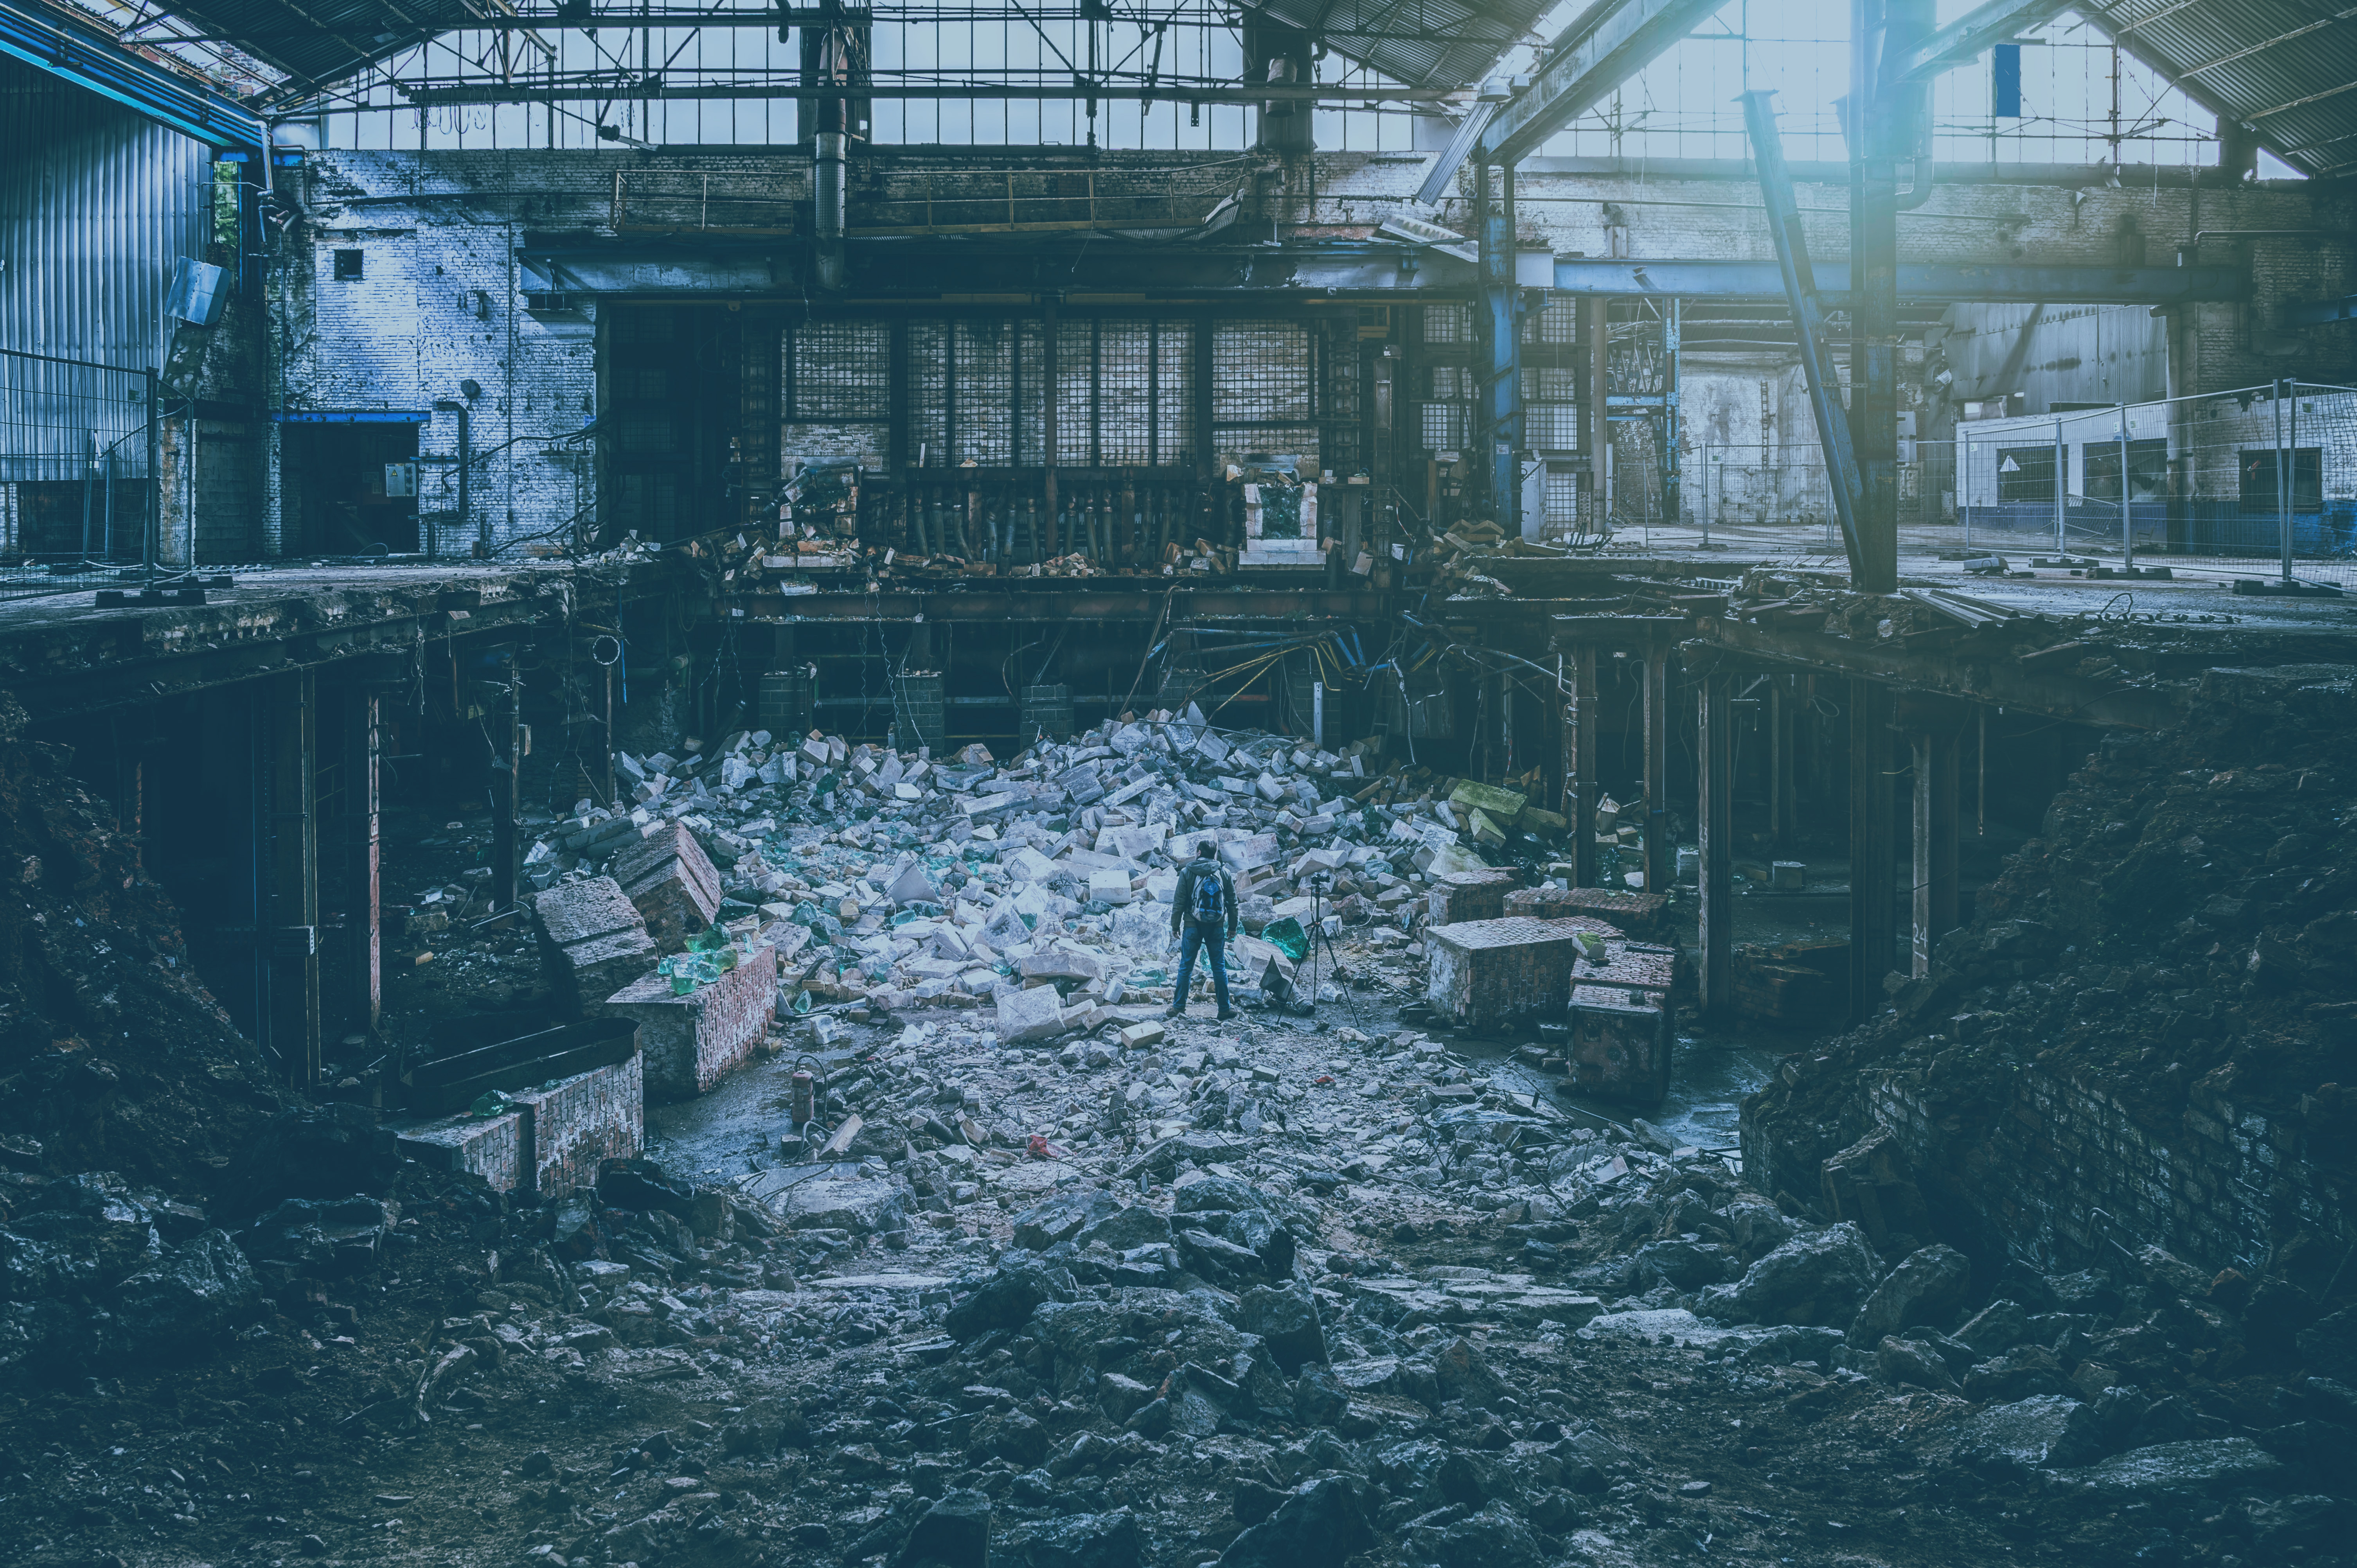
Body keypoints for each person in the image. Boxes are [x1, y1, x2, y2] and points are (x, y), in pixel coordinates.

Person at [1168, 839, 1238, 1020]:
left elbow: (1179, 902)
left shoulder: (1187, 872)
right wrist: (1233, 926)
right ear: (1214, 854)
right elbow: (1232, 902)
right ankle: (1224, 1009)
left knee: (1186, 967)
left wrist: (1175, 925)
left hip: (1192, 925)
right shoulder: (1224, 873)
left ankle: (1178, 1007)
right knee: (1219, 968)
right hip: (1216, 926)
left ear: (1199, 852)